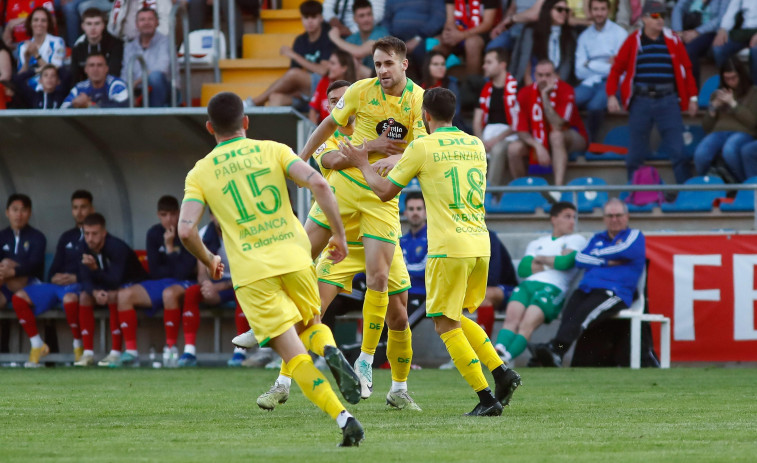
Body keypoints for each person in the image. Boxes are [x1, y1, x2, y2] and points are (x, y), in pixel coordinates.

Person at [179, 91, 365, 446]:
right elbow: (320, 183)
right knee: (312, 325)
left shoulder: (200, 172)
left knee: (293, 355)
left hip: (252, 274)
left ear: (209, 128)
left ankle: (345, 419)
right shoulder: (274, 149)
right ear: (246, 122)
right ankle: (332, 351)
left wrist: (209, 259)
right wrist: (338, 236)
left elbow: (186, 230)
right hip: (295, 257)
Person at [340, 87, 522, 416]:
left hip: (448, 247)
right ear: (454, 114)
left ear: (424, 115)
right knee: (456, 316)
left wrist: (362, 163)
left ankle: (486, 398)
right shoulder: (476, 144)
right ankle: (501, 372)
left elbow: (383, 191)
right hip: (481, 242)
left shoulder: (422, 146)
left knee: (444, 323)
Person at [251, 79, 420, 411]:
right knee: (312, 310)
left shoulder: (391, 129)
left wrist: (381, 148)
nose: (338, 106)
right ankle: (282, 383)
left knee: (399, 316)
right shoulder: (330, 139)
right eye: (332, 102)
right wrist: (373, 147)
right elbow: (332, 163)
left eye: (343, 100)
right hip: (339, 240)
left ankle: (398, 388)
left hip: (380, 233)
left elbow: (414, 151)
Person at [296, 36, 426, 405]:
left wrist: (391, 162)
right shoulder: (358, 94)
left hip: (381, 202)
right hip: (341, 202)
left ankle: (388, 380)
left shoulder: (417, 101)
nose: (382, 71)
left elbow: (417, 150)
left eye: (388, 64)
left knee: (395, 308)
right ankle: (280, 368)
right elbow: (330, 150)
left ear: (404, 64)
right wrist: (302, 159)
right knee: (298, 259)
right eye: (377, 64)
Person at [531, 198, 645, 367]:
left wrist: (596, 253)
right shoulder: (597, 237)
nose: (614, 219)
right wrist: (606, 261)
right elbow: (580, 259)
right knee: (568, 317)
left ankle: (557, 350)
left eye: (618, 215)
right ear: (604, 218)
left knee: (582, 316)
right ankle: (555, 353)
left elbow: (626, 250)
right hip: (586, 289)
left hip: (615, 292)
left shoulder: (634, 235)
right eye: (610, 216)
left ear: (627, 216)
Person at [606, 0, 698, 185]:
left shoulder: (672, 38)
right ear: (644, 19)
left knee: (679, 152)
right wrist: (610, 95)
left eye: (662, 16)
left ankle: (686, 195)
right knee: (635, 156)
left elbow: (687, 69)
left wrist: (693, 98)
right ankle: (634, 195)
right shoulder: (633, 40)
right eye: (655, 16)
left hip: (668, 100)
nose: (660, 20)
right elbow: (616, 69)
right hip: (641, 101)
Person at [493, 201, 586, 364]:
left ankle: (506, 359)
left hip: (552, 288)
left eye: (574, 217)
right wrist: (553, 260)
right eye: (567, 216)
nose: (572, 221)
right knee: (511, 319)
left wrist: (539, 259)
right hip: (527, 285)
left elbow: (566, 263)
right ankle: (498, 351)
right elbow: (523, 269)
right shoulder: (537, 242)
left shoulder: (577, 239)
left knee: (526, 324)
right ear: (554, 219)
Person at [10, 190, 94, 367]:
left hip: (78, 285)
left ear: (91, 209)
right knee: (18, 297)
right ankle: (37, 344)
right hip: (57, 286)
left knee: (70, 299)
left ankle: (78, 346)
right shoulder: (66, 237)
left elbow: (98, 269)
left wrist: (75, 277)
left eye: (83, 207)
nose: (79, 212)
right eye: (75, 208)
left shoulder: (95, 236)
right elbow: (53, 269)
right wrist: (55, 276)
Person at [114, 196, 197, 367]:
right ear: (158, 215)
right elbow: (155, 271)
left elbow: (184, 273)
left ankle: (171, 348)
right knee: (124, 295)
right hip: (160, 282)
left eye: (173, 214)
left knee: (169, 293)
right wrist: (173, 261)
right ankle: (131, 352)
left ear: (180, 213)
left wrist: (169, 249)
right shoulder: (153, 233)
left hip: (185, 283)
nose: (169, 219)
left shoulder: (189, 233)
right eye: (164, 215)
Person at [179, 209, 250, 367]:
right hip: (215, 285)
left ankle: (240, 352)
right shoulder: (204, 234)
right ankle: (189, 351)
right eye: (216, 213)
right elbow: (201, 272)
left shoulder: (242, 232)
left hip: (240, 283)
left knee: (244, 293)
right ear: (211, 216)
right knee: (191, 292)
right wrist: (207, 287)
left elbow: (248, 272)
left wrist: (218, 287)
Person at [77, 213, 149, 367]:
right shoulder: (84, 246)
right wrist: (95, 292)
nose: (90, 238)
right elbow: (84, 278)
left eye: (94, 234)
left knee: (114, 295)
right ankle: (88, 353)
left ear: (104, 232)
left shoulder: (117, 247)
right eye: (86, 233)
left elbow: (116, 280)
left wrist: (95, 269)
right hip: (104, 288)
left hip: (133, 285)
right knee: (84, 296)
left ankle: (115, 352)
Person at [508, 59, 588, 187]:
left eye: (548, 75)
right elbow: (521, 130)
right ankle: (522, 189)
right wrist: (538, 146)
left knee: (555, 136)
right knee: (513, 149)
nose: (543, 79)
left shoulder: (566, 89)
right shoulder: (524, 93)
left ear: (556, 75)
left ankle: (558, 188)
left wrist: (545, 97)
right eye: (540, 75)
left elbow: (558, 125)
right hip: (538, 139)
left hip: (571, 137)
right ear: (534, 76)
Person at [251, 1, 334, 108]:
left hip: (325, 89)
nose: (309, 21)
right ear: (301, 19)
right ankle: (274, 121)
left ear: (321, 18)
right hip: (304, 92)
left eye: (313, 17)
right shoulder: (300, 40)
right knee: (275, 98)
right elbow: (294, 74)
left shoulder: (328, 36)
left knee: (294, 73)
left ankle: (255, 102)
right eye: (306, 17)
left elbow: (323, 71)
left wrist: (294, 55)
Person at [695, 58, 757, 182]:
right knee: (700, 154)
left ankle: (742, 185)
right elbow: (707, 127)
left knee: (729, 150)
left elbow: (752, 123)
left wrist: (733, 104)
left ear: (741, 76)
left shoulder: (753, 92)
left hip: (743, 132)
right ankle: (708, 185)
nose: (730, 82)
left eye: (733, 78)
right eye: (726, 78)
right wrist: (713, 108)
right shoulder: (716, 94)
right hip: (718, 132)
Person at [574, 0, 627, 142]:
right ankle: (575, 141)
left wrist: (589, 63)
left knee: (595, 106)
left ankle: (592, 142)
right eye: (596, 9)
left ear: (608, 11)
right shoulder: (584, 36)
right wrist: (606, 65)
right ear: (590, 12)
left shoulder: (619, 33)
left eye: (602, 9)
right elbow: (579, 71)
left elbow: (620, 69)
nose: (599, 13)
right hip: (590, 82)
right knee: (570, 100)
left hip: (613, 82)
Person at [473, 47, 520, 187]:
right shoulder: (485, 89)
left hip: (510, 136)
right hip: (487, 136)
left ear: (502, 65)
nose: (484, 66)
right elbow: (477, 121)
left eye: (488, 62)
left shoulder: (516, 87)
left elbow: (518, 123)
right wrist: (481, 141)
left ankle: (489, 193)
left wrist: (496, 140)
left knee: (498, 149)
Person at [511, 0, 577, 86]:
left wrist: (557, 83)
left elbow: (567, 63)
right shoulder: (531, 31)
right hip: (533, 81)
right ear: (548, 10)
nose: (563, 13)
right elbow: (526, 59)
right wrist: (530, 85)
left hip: (557, 83)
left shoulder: (570, 34)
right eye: (559, 9)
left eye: (566, 10)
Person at [0, 194, 46, 314]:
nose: (19, 215)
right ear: (7, 212)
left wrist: (13, 271)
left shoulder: (37, 237)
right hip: (5, 285)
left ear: (29, 213)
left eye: (23, 210)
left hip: (30, 284)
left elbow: (34, 265)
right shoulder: (2, 236)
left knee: (5, 262)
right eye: (15, 210)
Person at [671, 0, 731, 88]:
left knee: (689, 51)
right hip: (687, 30)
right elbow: (678, 8)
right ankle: (675, 91)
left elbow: (721, 18)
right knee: (672, 49)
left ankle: (693, 91)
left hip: (710, 32)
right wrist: (678, 31)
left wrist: (697, 32)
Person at [121, 7, 171, 107]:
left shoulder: (166, 42)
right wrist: (130, 93)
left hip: (164, 91)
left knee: (155, 77)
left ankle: (155, 117)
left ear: (157, 22)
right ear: (136, 24)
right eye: (142, 20)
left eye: (150, 19)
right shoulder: (129, 47)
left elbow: (162, 69)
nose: (146, 23)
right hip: (137, 91)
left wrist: (136, 82)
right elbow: (125, 74)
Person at [328, 0, 390, 79]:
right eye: (362, 16)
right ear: (354, 19)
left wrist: (335, 38)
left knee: (354, 64)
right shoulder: (353, 38)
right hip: (365, 80)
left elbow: (360, 52)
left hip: (385, 78)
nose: (366, 19)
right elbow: (341, 57)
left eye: (369, 14)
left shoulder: (381, 32)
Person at [436, 0, 498, 76]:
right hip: (458, 31)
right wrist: (449, 33)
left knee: (472, 43)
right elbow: (450, 21)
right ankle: (435, 83)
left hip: (482, 33)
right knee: (437, 42)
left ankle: (470, 84)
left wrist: (462, 35)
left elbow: (487, 24)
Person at [382, 0, 445, 70]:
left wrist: (418, 38)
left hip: (424, 37)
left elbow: (438, 17)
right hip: (396, 39)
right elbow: (386, 21)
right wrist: (392, 39)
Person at [14, 7, 66, 90]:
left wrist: (36, 55)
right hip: (29, 91)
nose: (39, 23)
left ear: (48, 24)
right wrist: (26, 62)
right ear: (30, 23)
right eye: (36, 20)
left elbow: (55, 72)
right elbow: (20, 77)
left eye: (43, 20)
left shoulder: (57, 42)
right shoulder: (22, 46)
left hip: (50, 89)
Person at [71, 8, 124, 85]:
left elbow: (114, 73)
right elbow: (75, 78)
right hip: (85, 90)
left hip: (110, 87)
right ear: (83, 26)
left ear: (103, 25)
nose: (93, 28)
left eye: (97, 23)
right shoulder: (78, 47)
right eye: (89, 24)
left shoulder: (115, 45)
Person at [421, 50, 468, 132]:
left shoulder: (452, 84)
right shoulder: (420, 86)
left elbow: (455, 112)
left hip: (447, 126)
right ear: (427, 66)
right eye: (435, 64)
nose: (440, 67)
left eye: (443, 64)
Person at [712, 0, 757, 85]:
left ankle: (754, 90)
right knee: (718, 48)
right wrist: (723, 29)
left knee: (755, 51)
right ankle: (727, 85)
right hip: (744, 30)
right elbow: (731, 10)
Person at [62, 53, 129, 108]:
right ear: (86, 69)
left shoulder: (116, 84)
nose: (95, 69)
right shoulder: (79, 88)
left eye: (99, 65)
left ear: (106, 69)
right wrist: (74, 105)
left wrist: (90, 105)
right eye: (91, 65)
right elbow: (61, 112)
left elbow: (122, 108)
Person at [309, 49, 356, 124]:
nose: (328, 66)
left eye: (333, 63)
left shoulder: (353, 88)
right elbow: (313, 110)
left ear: (344, 68)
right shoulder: (324, 82)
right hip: (325, 132)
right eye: (329, 62)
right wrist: (315, 131)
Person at [399, 192, 428, 314]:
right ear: (405, 213)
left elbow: (425, 269)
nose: (415, 212)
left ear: (426, 212)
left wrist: (403, 270)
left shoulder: (433, 237)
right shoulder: (401, 240)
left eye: (419, 209)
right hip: (401, 292)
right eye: (411, 209)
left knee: (397, 325)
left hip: (423, 294)